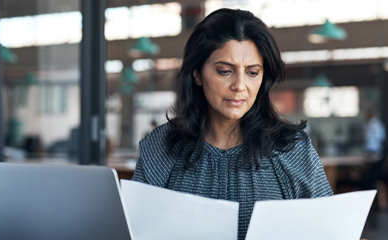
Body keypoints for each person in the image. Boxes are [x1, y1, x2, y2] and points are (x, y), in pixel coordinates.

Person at [132, 8, 333, 240]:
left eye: (252, 72)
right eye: (225, 71)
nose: (240, 85)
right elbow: (135, 230)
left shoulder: (292, 150)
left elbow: (330, 230)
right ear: (197, 73)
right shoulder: (161, 147)